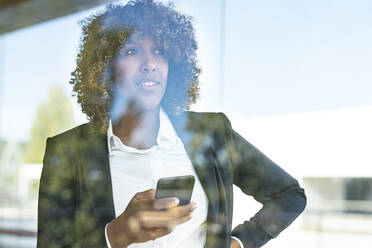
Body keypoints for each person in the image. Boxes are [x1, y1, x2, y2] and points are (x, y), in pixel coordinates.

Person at [37, 0, 307, 248]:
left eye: (159, 51)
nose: (150, 64)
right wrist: (116, 235)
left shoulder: (212, 133)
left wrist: (238, 242)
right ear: (106, 67)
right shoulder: (68, 151)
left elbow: (289, 195)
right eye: (131, 51)